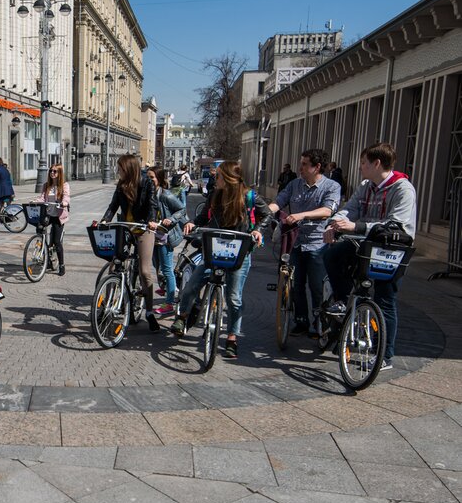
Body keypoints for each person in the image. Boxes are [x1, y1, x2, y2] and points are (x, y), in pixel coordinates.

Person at [322, 142, 417, 371]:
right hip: (364, 246)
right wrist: (334, 223)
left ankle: (385, 354)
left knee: (385, 298)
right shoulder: (366, 186)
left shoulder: (402, 189)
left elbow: (396, 224)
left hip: (390, 250)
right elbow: (350, 208)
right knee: (332, 255)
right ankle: (343, 300)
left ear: (376, 163)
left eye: (363, 163)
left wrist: (355, 226)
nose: (360, 167)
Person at [170, 161, 271, 358]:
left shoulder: (248, 196)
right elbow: (203, 217)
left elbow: (266, 214)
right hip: (215, 250)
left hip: (239, 253)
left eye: (219, 176)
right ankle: (182, 317)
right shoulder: (216, 195)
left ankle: (232, 338)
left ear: (229, 178)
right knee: (192, 285)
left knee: (234, 299)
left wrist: (258, 231)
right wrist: (192, 223)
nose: (216, 179)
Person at [268, 149, 341, 337]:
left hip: (318, 244)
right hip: (296, 242)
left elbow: (327, 211)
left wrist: (301, 215)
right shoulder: (294, 184)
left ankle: (320, 323)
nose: (300, 168)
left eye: (304, 164)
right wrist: (264, 211)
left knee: (317, 286)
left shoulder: (331, 186)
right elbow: (280, 201)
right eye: (301, 163)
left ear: (317, 167)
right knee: (295, 284)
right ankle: (301, 321)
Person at [101, 153, 161, 332]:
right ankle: (108, 305)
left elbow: (153, 204)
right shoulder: (121, 185)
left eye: (120, 168)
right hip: (126, 227)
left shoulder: (146, 183)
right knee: (115, 265)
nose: (118, 170)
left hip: (143, 227)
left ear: (128, 169)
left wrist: (151, 220)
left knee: (144, 271)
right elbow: (113, 206)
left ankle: (149, 312)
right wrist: (105, 220)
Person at [146, 165, 186, 315]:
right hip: (152, 235)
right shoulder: (149, 193)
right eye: (147, 177)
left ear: (160, 179)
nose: (149, 180)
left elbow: (182, 209)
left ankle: (169, 302)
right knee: (157, 265)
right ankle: (165, 287)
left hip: (165, 237)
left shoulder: (166, 195)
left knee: (167, 269)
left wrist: (170, 219)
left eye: (152, 178)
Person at [33, 163, 71, 276]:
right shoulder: (46, 185)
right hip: (48, 214)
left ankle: (61, 265)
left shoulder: (64, 185)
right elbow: (42, 197)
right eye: (51, 171)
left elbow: (66, 196)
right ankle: (46, 253)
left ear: (59, 173)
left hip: (59, 216)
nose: (52, 173)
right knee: (39, 228)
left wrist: (64, 203)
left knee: (56, 242)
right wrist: (36, 201)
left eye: (55, 171)